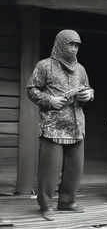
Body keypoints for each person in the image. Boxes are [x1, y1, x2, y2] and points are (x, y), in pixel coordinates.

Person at [27, 29, 94, 221]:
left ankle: (67, 202)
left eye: (77, 45)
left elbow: (89, 88)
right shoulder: (44, 66)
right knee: (50, 170)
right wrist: (50, 100)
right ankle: (46, 205)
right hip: (53, 126)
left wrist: (88, 95)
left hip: (76, 125)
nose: (74, 49)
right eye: (71, 44)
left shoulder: (81, 69)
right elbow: (31, 89)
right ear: (61, 44)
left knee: (75, 167)